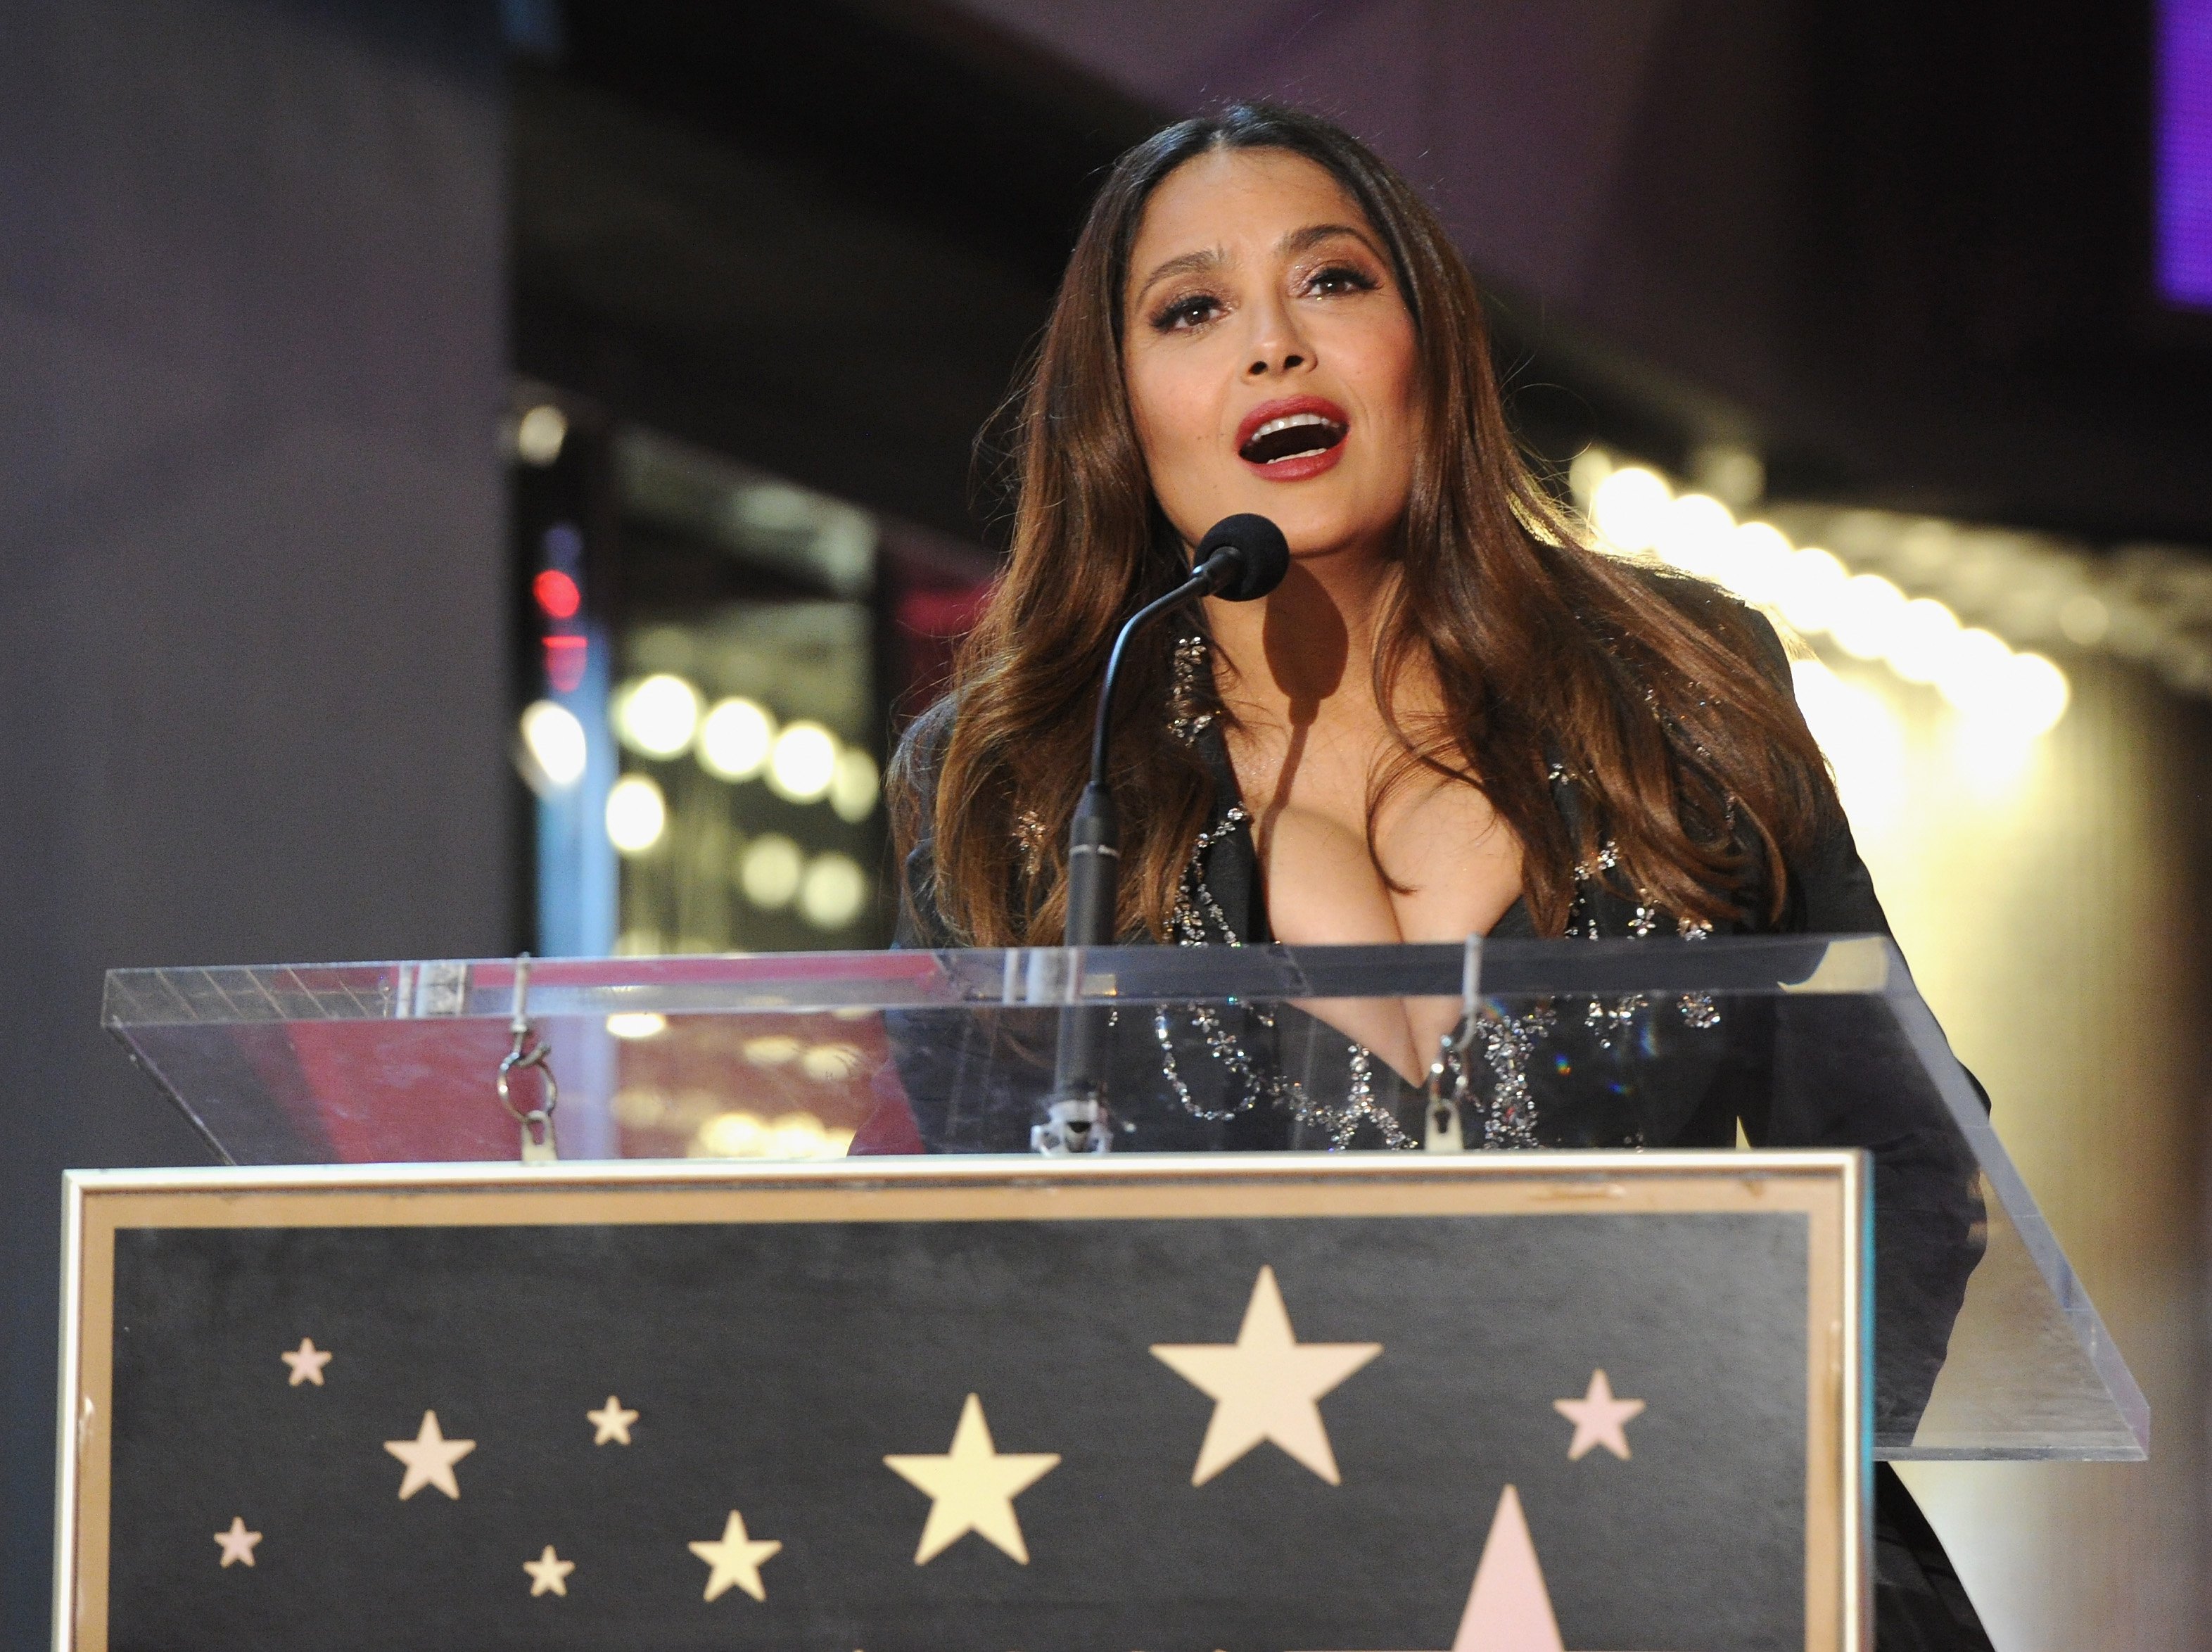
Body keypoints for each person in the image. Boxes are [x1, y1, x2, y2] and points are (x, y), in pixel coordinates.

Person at [883, 103, 1992, 1651]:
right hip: (1246, 1594)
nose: (1274, 346)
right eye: (1193, 310)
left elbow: (1906, 1154)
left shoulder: (1681, 687)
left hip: (1711, 1567)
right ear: (1121, 414)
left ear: (1429, 343)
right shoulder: (1010, 787)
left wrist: (1751, 1459)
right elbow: (976, 1273)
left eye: (1332, 282)